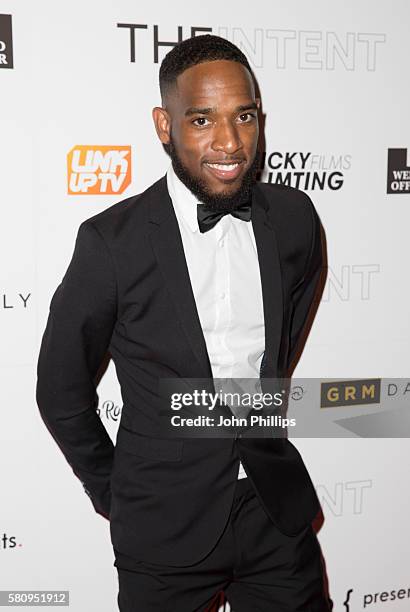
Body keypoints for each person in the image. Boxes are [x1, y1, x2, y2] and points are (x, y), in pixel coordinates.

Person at [36, 34, 331, 611]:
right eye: (201, 120)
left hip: (274, 511)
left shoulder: (294, 220)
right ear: (163, 124)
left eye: (244, 116)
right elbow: (60, 390)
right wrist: (115, 491)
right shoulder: (111, 244)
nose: (230, 142)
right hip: (163, 525)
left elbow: (283, 345)